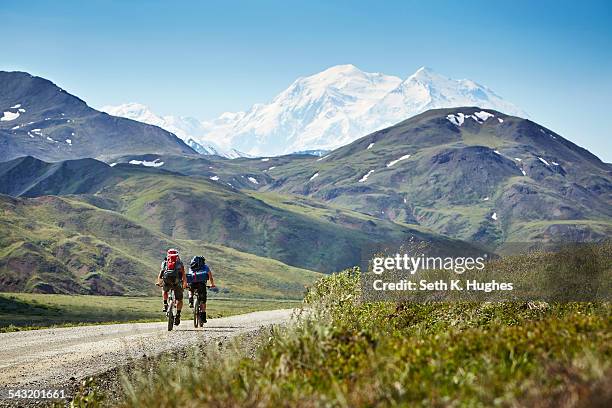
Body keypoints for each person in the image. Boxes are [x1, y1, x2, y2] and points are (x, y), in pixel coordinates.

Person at [156, 248, 188, 325]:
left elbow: (161, 273)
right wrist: (184, 283)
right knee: (179, 300)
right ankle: (178, 315)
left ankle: (165, 304)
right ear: (177, 255)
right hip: (177, 282)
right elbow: (183, 274)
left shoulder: (165, 262)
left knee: (164, 290)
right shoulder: (180, 263)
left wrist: (159, 282)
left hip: (167, 281)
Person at [187, 256, 215, 323]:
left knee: (190, 290)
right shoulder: (205, 267)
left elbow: (190, 276)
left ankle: (190, 298)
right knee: (203, 301)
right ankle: (203, 318)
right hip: (201, 285)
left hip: (192, 283)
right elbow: (210, 277)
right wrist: (212, 284)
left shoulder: (191, 267)